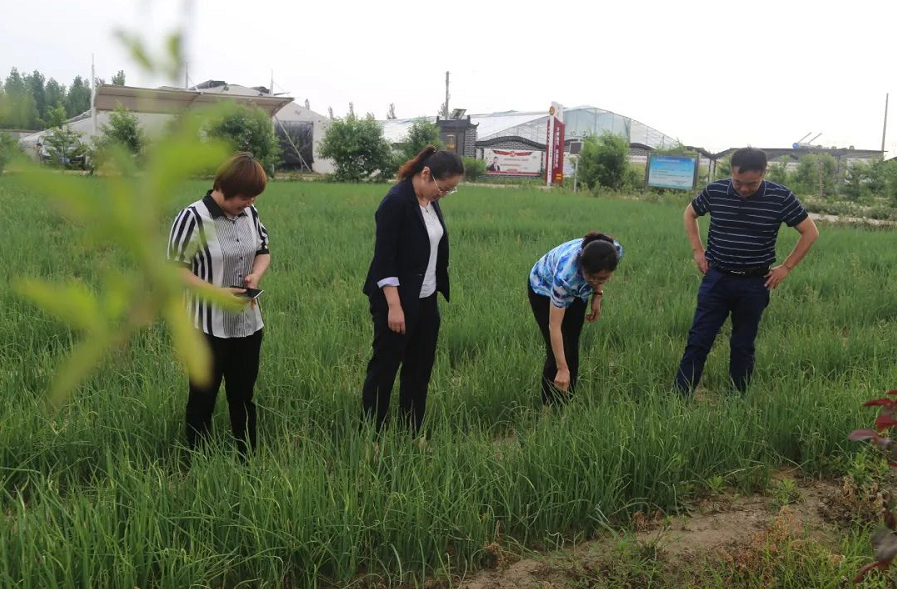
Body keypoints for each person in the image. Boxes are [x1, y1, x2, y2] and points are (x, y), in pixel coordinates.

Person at [674, 147, 818, 395]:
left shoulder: (779, 196)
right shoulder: (716, 190)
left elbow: (810, 231)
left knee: (743, 346)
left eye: (751, 184)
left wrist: (786, 267)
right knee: (698, 341)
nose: (743, 189)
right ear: (731, 171)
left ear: (764, 173)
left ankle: (736, 400)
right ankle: (680, 396)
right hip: (717, 279)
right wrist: (698, 251)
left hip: (754, 283)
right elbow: (690, 213)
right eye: (738, 182)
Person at [167, 152, 271, 456]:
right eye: (245, 195)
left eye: (254, 196)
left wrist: (256, 274)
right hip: (206, 325)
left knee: (244, 395)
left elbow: (264, 250)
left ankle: (247, 456)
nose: (250, 202)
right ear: (224, 187)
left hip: (247, 322)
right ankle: (197, 460)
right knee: (203, 396)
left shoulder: (250, 213)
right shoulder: (194, 217)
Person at [361, 146, 464, 435]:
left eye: (450, 191)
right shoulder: (396, 202)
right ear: (426, 174)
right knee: (385, 369)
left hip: (426, 298)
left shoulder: (430, 200)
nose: (444, 194)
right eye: (444, 188)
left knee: (419, 370)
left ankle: (411, 432)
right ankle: (373, 435)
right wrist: (394, 306)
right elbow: (384, 259)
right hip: (396, 301)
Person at [528, 232, 623, 405]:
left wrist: (597, 294)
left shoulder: (614, 252)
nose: (595, 281)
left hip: (578, 291)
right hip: (543, 288)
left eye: (602, 278)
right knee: (557, 350)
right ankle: (548, 410)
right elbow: (554, 326)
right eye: (591, 276)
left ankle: (566, 404)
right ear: (582, 266)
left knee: (572, 344)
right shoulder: (566, 276)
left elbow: (597, 276)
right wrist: (562, 368)